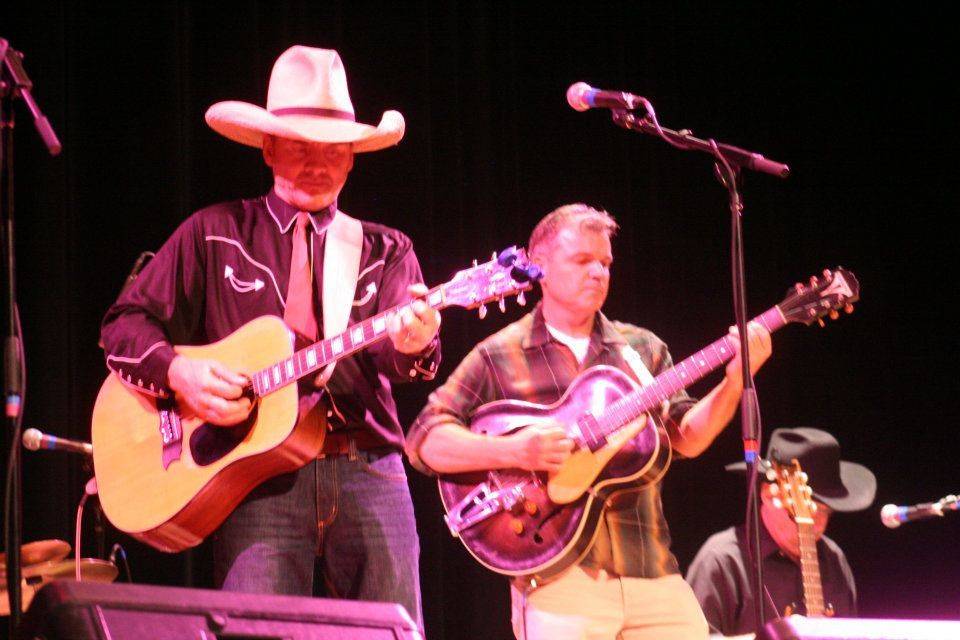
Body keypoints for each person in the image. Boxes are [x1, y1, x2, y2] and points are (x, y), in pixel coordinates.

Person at [100, 46, 440, 631]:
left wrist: (415, 344)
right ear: (268, 147)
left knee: (394, 631)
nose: (316, 163)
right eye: (299, 145)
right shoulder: (214, 233)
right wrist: (179, 373)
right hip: (254, 477)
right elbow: (123, 326)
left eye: (332, 150)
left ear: (353, 159)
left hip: (369, 468)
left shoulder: (387, 249)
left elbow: (400, 356)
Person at [406, 203, 773, 640]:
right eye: (583, 261)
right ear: (539, 265)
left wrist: (735, 381)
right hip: (558, 582)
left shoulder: (642, 348)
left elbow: (686, 439)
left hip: (653, 571)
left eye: (605, 263)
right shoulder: (499, 353)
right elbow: (424, 440)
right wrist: (513, 450)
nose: (598, 272)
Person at [686, 427, 876, 637]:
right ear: (769, 495)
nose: (815, 523)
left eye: (824, 511)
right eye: (808, 507)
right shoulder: (722, 559)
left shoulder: (833, 559)